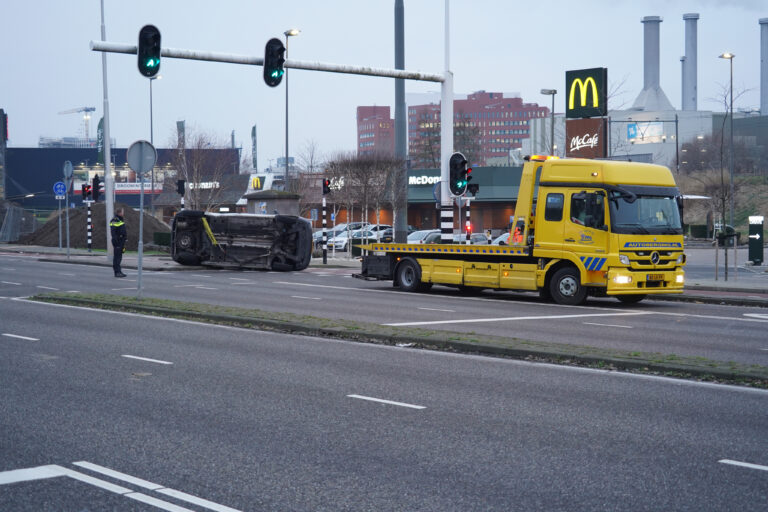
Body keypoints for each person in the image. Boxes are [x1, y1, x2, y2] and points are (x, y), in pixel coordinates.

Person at [109, 208, 127, 278]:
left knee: (119, 257)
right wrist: (116, 241)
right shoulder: (115, 220)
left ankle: (119, 271)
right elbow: (113, 232)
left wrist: (125, 239)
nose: (123, 213)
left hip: (121, 240)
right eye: (123, 212)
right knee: (117, 257)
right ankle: (117, 272)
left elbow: (122, 230)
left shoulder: (120, 219)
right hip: (118, 241)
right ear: (119, 213)